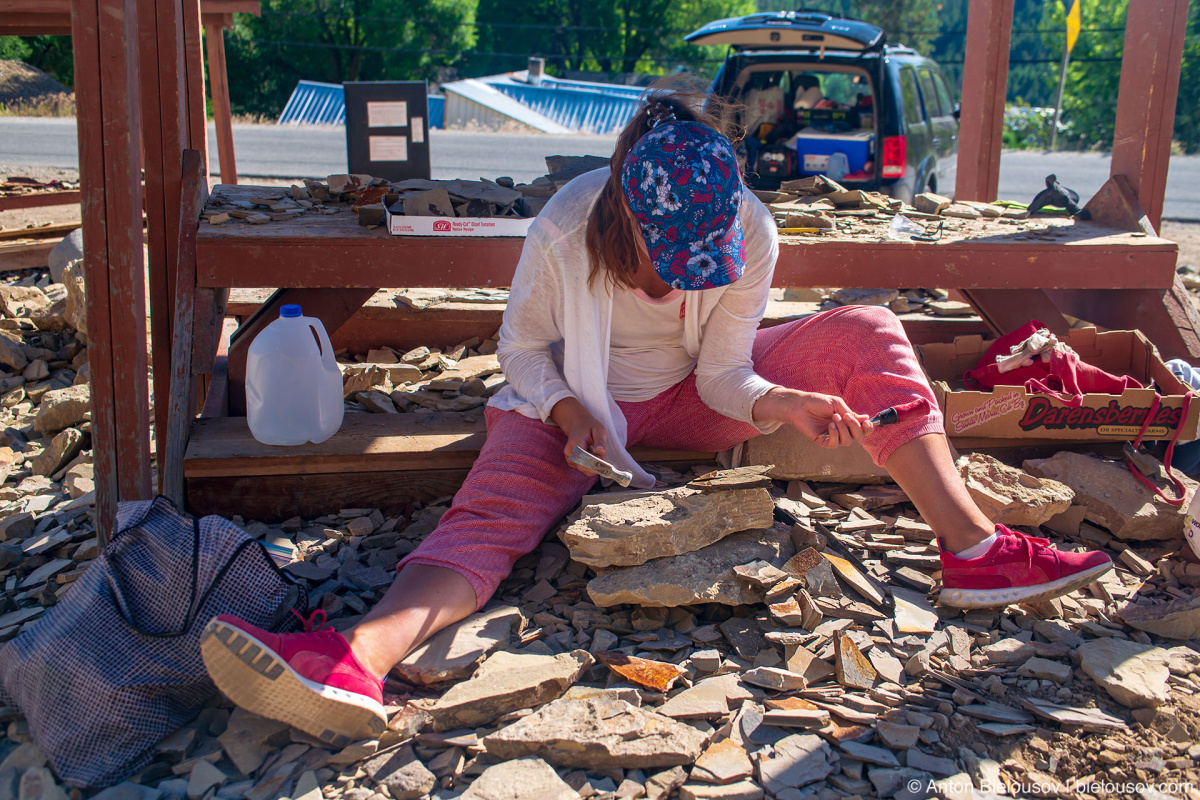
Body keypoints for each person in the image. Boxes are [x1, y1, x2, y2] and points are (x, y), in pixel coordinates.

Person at [199, 83, 1114, 747]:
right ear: (626, 212)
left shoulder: (750, 231)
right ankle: (354, 659)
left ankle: (974, 549)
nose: (680, 274)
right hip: (570, 412)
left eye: (698, 255)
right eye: (664, 253)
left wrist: (779, 398)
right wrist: (563, 409)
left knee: (869, 326)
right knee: (490, 514)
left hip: (693, 403)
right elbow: (518, 352)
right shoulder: (564, 225)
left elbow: (722, 376)